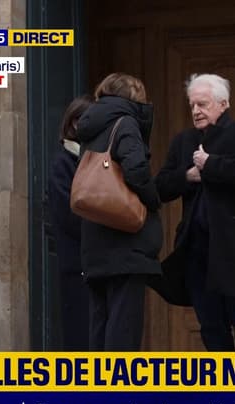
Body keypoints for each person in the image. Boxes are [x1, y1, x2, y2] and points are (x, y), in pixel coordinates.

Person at [155, 73, 235, 351]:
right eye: (192, 105)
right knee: (210, 325)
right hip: (196, 249)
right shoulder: (183, 141)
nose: (196, 111)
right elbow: (160, 186)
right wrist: (189, 176)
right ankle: (225, 389)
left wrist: (212, 165)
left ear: (223, 104)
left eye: (203, 104)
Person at [76, 73, 162, 351]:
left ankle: (99, 391)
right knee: (123, 329)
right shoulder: (125, 123)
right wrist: (153, 200)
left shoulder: (90, 127)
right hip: (125, 244)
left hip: (95, 244)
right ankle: (119, 393)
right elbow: (136, 170)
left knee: (100, 325)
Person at [48, 94, 93, 350]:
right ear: (76, 123)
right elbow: (69, 214)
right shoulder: (63, 163)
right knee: (80, 338)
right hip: (77, 264)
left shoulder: (91, 159)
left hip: (93, 263)